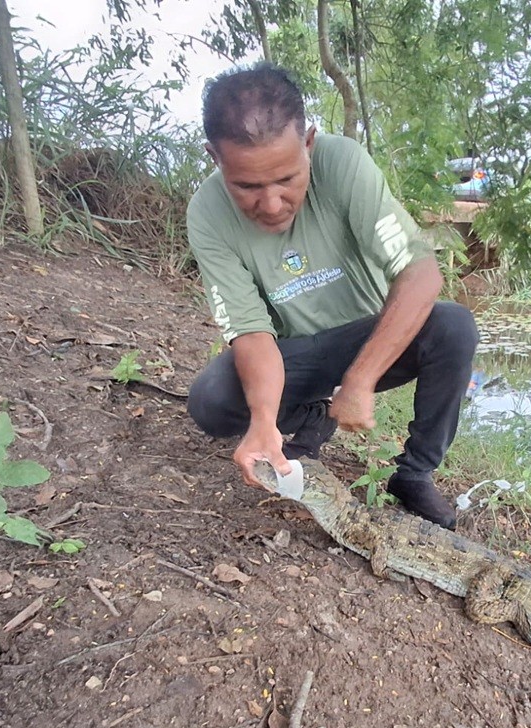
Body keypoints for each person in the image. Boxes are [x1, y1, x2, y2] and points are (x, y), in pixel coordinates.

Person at [185, 63, 478, 529]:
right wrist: (263, 420)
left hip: (368, 338)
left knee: (455, 327)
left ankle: (416, 473)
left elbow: (420, 272)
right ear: (215, 158)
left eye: (286, 179)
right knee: (212, 400)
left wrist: (360, 381)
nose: (273, 203)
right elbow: (250, 331)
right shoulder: (206, 212)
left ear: (309, 143)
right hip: (291, 352)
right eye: (248, 186)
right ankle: (310, 414)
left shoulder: (343, 163)